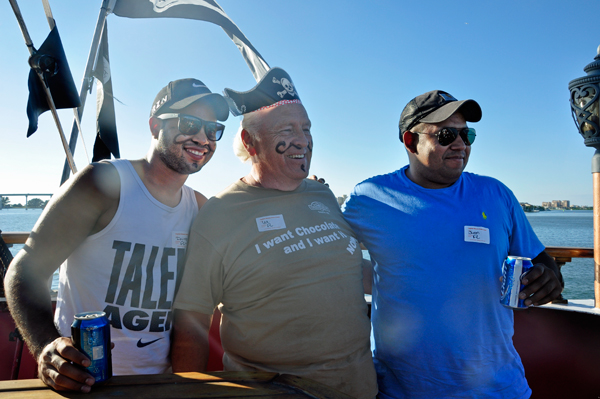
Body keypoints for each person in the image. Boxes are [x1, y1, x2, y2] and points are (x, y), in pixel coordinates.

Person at [4, 78, 229, 392]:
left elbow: (193, 310)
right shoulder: (103, 184)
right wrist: (46, 346)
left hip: (157, 385)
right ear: (155, 127)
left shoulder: (200, 208)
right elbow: (25, 270)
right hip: (86, 383)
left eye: (212, 129)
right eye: (190, 123)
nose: (203, 138)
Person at [171, 67, 377, 398]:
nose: (303, 140)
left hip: (360, 385)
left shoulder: (321, 194)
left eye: (306, 129)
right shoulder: (220, 215)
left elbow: (339, 267)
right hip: (277, 390)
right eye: (287, 129)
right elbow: (191, 322)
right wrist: (185, 393)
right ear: (250, 143)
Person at [342, 90, 562, 398]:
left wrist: (549, 278)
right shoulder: (369, 198)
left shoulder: (496, 195)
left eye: (466, 134)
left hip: (498, 387)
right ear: (409, 141)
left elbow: (542, 260)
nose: (460, 144)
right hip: (404, 389)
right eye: (446, 135)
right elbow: (323, 253)